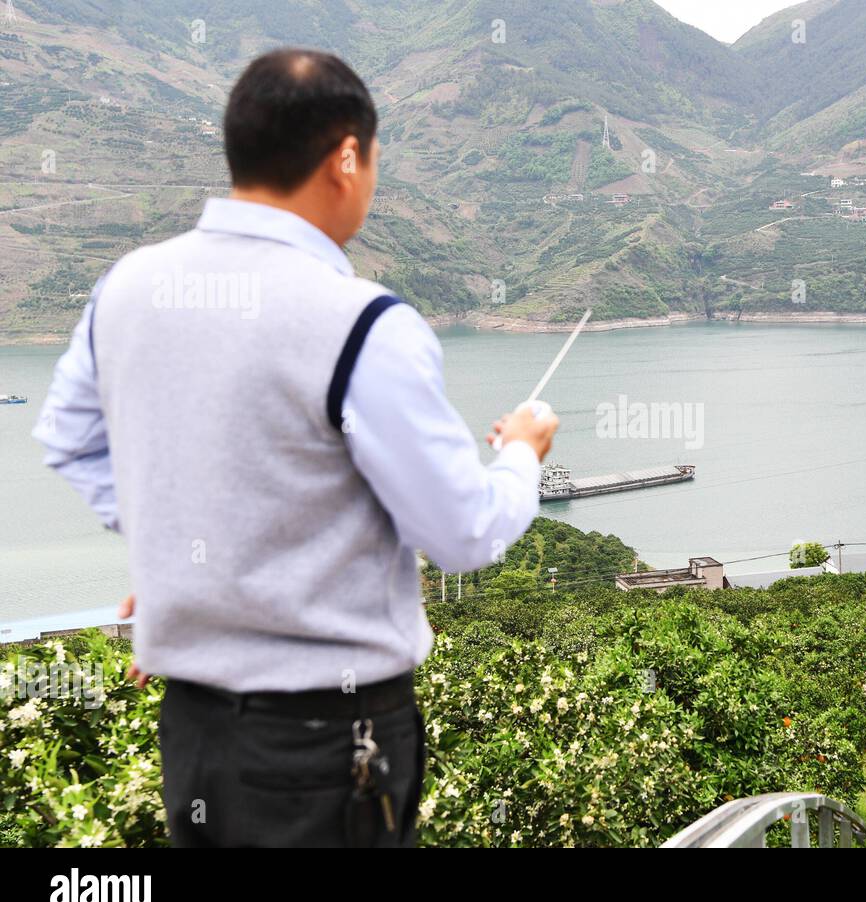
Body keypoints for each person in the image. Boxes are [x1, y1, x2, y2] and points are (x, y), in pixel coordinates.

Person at [32, 48, 558, 847]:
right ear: (347, 156)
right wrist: (522, 452)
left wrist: (182, 557)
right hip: (328, 744)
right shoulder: (362, 324)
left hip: (194, 730)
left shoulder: (128, 287)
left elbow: (69, 440)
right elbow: (465, 535)